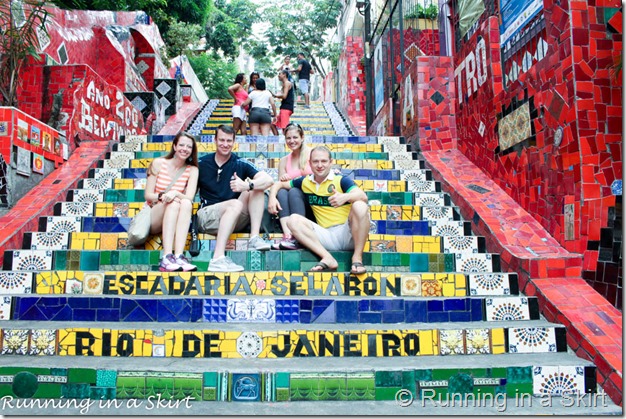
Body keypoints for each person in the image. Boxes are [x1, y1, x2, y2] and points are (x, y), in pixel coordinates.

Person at [268, 146, 369, 274]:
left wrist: (345, 197)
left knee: (360, 205)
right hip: (325, 236)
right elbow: (280, 184)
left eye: (324, 161)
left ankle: (357, 258)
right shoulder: (306, 182)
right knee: (293, 220)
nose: (320, 165)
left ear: (331, 162)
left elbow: (363, 196)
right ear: (309, 163)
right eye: (315, 161)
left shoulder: (341, 180)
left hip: (348, 233)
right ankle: (327, 257)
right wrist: (272, 198)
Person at [197, 125, 274, 272]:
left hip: (234, 218)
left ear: (234, 142)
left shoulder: (240, 162)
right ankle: (218, 258)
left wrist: (247, 185)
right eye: (221, 140)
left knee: (256, 187)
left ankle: (254, 238)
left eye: (229, 141)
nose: (225, 144)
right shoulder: (201, 164)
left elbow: (268, 179)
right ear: (215, 140)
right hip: (208, 217)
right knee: (234, 204)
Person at [143, 132, 199, 272]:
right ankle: (166, 256)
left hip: (174, 210)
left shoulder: (192, 170)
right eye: (181, 145)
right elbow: (148, 195)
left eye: (189, 147)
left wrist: (175, 193)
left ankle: (179, 256)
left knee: (186, 203)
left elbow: (189, 197)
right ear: (174, 146)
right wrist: (164, 196)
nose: (185, 149)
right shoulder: (158, 163)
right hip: (154, 214)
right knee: (174, 202)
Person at [267, 123, 312, 249]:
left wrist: (291, 176)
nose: (292, 141)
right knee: (282, 192)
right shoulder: (284, 161)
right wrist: (272, 197)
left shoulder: (312, 154)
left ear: (302, 137)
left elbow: (314, 177)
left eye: (295, 137)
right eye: (288, 138)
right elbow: (280, 184)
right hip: (293, 202)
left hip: (310, 201)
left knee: (293, 191)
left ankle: (299, 235)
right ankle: (288, 235)